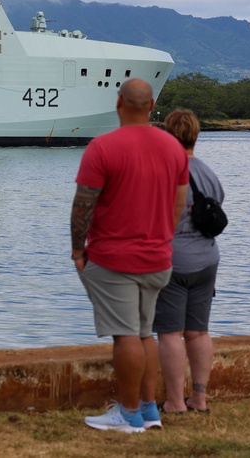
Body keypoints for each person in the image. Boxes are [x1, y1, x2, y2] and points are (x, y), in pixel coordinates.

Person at [71, 78, 189, 433]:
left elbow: (83, 205)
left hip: (114, 258)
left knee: (125, 336)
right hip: (158, 257)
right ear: (152, 106)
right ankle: (149, 410)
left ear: (118, 103)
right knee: (143, 334)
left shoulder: (102, 147)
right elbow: (178, 204)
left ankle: (128, 414)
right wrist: (162, 240)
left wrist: (78, 250)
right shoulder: (173, 149)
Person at [154, 108, 224, 414]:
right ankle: (200, 398)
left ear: (168, 135)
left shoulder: (165, 170)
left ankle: (174, 401)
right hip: (207, 259)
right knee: (199, 332)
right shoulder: (208, 173)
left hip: (173, 260)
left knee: (169, 333)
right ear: (196, 134)